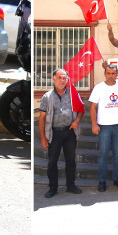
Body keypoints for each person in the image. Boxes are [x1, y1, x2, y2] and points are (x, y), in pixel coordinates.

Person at [38, 69, 84, 198]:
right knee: (52, 162)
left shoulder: (72, 94)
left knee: (71, 161)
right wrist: (43, 137)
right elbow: (41, 118)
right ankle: (53, 188)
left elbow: (81, 109)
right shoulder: (47, 97)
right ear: (53, 79)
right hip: (55, 133)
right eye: (59, 78)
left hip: (70, 132)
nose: (62, 80)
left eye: (64, 78)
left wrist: (77, 121)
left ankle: (71, 186)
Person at [89, 64, 118, 192]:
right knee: (103, 155)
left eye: (113, 73)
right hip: (104, 126)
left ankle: (117, 179)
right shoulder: (99, 88)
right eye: (109, 73)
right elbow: (92, 107)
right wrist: (94, 124)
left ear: (117, 74)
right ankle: (102, 181)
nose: (111, 76)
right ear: (105, 74)